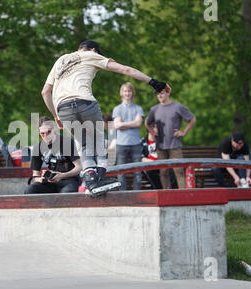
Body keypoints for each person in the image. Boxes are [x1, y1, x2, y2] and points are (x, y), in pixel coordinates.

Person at [41, 39, 171, 196]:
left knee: (84, 146)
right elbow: (125, 70)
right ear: (93, 49)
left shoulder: (60, 60)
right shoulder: (91, 55)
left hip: (63, 108)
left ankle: (91, 181)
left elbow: (45, 92)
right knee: (97, 140)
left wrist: (56, 116)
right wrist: (154, 83)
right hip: (85, 102)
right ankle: (100, 176)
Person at [145, 88, 196, 189]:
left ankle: (184, 196)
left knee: (179, 171)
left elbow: (192, 119)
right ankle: (167, 196)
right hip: (160, 146)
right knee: (163, 173)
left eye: (162, 93)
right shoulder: (154, 109)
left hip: (174, 145)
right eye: (158, 94)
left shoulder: (177, 107)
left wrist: (183, 132)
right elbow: (146, 123)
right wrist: (152, 131)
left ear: (168, 93)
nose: (159, 95)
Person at [25, 116, 82, 194]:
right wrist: (41, 179)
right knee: (30, 190)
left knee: (66, 194)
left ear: (54, 129)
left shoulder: (67, 142)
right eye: (42, 134)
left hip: (69, 180)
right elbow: (35, 175)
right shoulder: (37, 148)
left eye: (48, 132)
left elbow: (79, 167)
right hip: (51, 182)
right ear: (39, 133)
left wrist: (61, 176)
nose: (46, 136)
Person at [112, 82, 145, 190]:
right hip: (121, 144)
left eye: (129, 91)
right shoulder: (117, 109)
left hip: (135, 144)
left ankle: (137, 195)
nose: (127, 93)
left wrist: (123, 124)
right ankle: (122, 196)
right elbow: (117, 125)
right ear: (122, 93)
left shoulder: (138, 108)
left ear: (132, 93)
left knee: (137, 172)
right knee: (121, 173)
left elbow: (138, 124)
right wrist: (132, 123)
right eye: (125, 91)